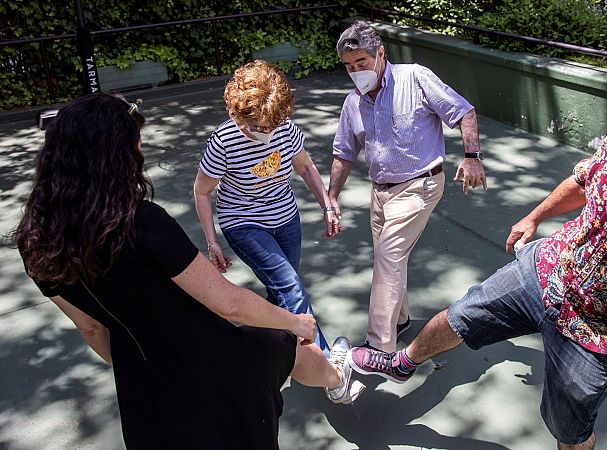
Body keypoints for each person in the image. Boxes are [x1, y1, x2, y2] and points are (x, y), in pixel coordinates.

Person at [347, 62, 607, 450]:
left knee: (569, 429)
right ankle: (402, 362)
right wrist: (535, 216)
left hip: (597, 333)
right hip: (546, 269)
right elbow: (583, 180)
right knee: (461, 314)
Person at [14, 94, 361, 449]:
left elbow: (91, 329)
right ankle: (337, 377)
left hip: (141, 390)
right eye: (135, 142)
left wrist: (146, 368)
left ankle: (336, 376)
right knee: (287, 342)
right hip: (216, 371)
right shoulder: (140, 224)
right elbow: (227, 303)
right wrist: (293, 322)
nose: (140, 148)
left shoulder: (35, 242)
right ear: (115, 154)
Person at [328, 20, 487, 353]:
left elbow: (464, 112)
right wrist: (331, 197)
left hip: (420, 185)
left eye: (362, 63)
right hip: (379, 191)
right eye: (349, 66)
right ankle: (399, 320)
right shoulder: (352, 103)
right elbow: (344, 154)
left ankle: (377, 349)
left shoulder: (415, 78)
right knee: (389, 260)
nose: (356, 71)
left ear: (381, 54)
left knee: (388, 256)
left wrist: (472, 156)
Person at [194, 60, 338, 355]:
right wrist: (212, 242)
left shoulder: (284, 128)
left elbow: (306, 168)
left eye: (271, 125)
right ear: (237, 114)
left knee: (281, 291)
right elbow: (202, 191)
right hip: (243, 222)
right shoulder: (224, 141)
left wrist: (327, 206)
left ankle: (255, 351)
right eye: (257, 127)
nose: (266, 133)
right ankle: (329, 368)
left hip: (285, 216)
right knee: (291, 290)